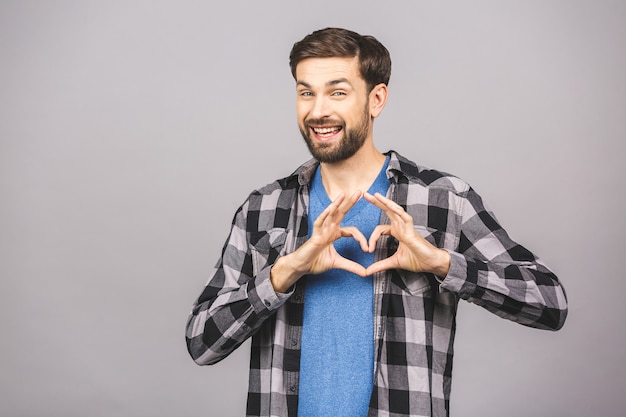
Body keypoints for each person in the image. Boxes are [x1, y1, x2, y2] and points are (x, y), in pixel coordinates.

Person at [185, 27, 568, 417]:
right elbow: (201, 343)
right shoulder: (263, 208)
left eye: (337, 92)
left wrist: (442, 264)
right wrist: (284, 272)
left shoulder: (442, 200)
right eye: (306, 92)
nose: (318, 111)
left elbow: (550, 302)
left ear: (376, 99)